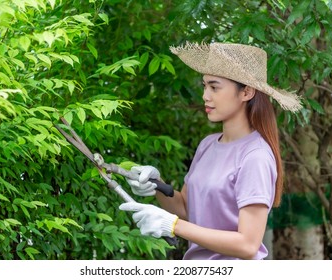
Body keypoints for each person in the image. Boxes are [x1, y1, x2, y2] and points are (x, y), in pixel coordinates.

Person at [119, 42, 302, 260]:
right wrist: (156, 185)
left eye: (214, 87)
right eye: (204, 86)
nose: (205, 95)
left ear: (247, 92)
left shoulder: (255, 157)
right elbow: (187, 209)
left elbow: (248, 245)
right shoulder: (208, 144)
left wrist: (174, 226)